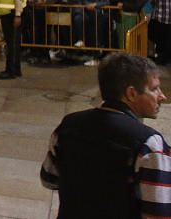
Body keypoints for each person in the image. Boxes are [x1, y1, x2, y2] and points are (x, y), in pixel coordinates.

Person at [41, 53, 171, 218]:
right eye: (154, 89)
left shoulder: (68, 125)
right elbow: (159, 212)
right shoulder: (149, 143)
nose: (162, 96)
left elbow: (48, 178)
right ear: (131, 93)